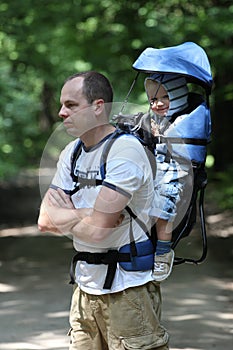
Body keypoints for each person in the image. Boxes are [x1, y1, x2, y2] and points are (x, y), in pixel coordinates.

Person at [38, 71, 169, 350]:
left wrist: (72, 213)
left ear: (98, 106)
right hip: (84, 290)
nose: (61, 113)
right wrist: (86, 214)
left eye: (71, 105)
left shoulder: (126, 151)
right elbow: (44, 221)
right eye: (62, 105)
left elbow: (98, 233)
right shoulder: (70, 153)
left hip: (128, 292)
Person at [144, 74, 192, 282]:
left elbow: (184, 151)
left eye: (165, 97)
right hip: (156, 170)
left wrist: (163, 137)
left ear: (179, 95)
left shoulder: (185, 120)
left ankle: (163, 252)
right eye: (153, 100)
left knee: (163, 204)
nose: (158, 103)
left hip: (175, 173)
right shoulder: (157, 120)